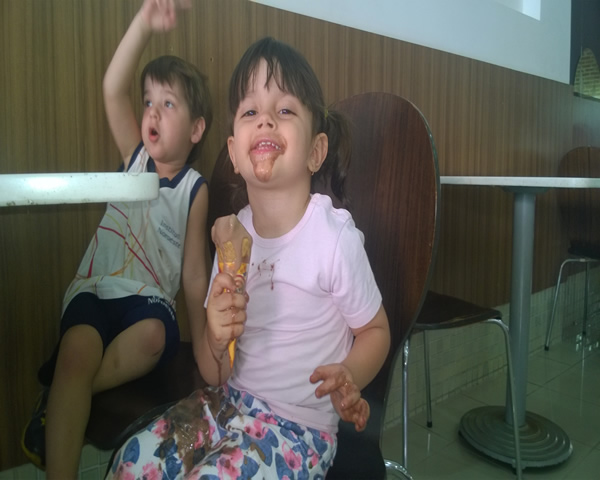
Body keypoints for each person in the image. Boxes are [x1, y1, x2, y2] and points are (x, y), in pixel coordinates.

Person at [106, 36, 391, 479]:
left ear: (315, 151)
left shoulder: (333, 238)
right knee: (129, 462)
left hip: (297, 431)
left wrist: (349, 373)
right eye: (250, 112)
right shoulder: (233, 240)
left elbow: (375, 330)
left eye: (285, 110)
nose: (266, 121)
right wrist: (216, 336)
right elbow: (214, 371)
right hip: (224, 405)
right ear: (234, 153)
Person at [21, 0, 212, 478]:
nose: (152, 112)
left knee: (153, 337)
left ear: (196, 129)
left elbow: (194, 275)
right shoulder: (135, 158)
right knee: (78, 350)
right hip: (96, 287)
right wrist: (144, 23)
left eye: (168, 104)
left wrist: (204, 346)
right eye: (148, 101)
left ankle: (62, 394)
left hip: (147, 303)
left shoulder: (194, 189)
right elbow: (112, 88)